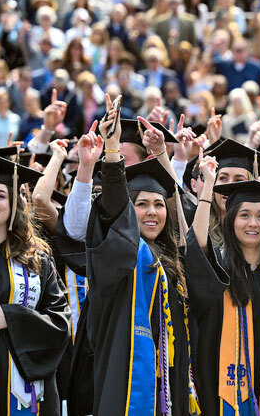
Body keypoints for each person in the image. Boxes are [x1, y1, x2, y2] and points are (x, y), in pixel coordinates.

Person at [86, 108, 219, 415]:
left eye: (158, 205)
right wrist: (113, 150)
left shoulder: (175, 263)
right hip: (129, 379)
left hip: (173, 385)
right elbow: (114, 209)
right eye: (141, 204)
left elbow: (190, 231)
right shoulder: (121, 256)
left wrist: (171, 160)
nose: (152, 212)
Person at [189, 151, 260, 416]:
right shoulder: (219, 270)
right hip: (221, 387)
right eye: (244, 215)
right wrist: (208, 187)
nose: (253, 223)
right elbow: (197, 247)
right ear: (231, 219)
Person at [0, 156, 70, 414]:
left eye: (0, 195)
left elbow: (61, 321)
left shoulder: (36, 258)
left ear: (15, 201)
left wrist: (11, 317)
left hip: (27, 390)